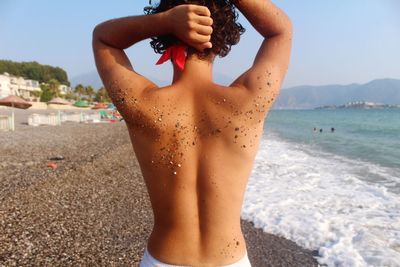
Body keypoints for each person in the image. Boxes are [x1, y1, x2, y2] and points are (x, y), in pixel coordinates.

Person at [92, 0, 292, 266]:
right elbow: (281, 31)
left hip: (164, 258)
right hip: (229, 259)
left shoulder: (144, 104)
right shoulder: (247, 102)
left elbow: (103, 38)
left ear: (165, 39)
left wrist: (164, 21)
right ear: (221, 38)